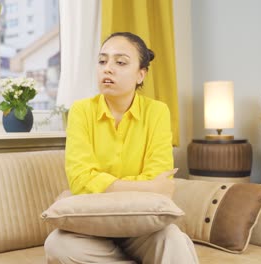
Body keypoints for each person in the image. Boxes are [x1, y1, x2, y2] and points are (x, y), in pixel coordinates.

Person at [44, 32, 199, 264]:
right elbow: (80, 180)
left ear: (140, 74)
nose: (108, 68)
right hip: (92, 226)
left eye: (120, 62)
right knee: (57, 245)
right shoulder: (81, 111)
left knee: (173, 240)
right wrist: (148, 186)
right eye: (102, 61)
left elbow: (161, 183)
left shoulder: (157, 112)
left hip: (142, 226)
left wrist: (103, 183)